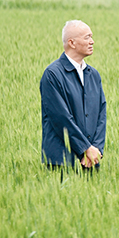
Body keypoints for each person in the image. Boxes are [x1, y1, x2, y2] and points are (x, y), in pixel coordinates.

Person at [40, 20, 106, 169]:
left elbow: (101, 114)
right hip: (61, 162)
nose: (92, 41)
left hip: (91, 160)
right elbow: (61, 117)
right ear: (72, 43)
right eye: (87, 37)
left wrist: (96, 149)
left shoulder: (93, 74)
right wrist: (85, 149)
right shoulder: (52, 74)